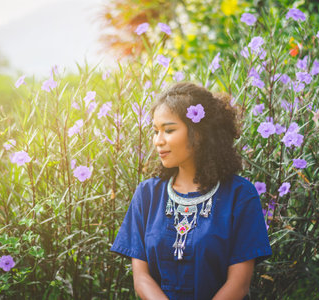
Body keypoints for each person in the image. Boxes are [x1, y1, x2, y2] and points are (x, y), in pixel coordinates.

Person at [111, 82, 272, 299]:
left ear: (198, 133)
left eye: (169, 130)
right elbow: (141, 278)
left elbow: (239, 284)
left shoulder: (240, 196)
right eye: (155, 131)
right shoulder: (147, 195)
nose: (158, 141)